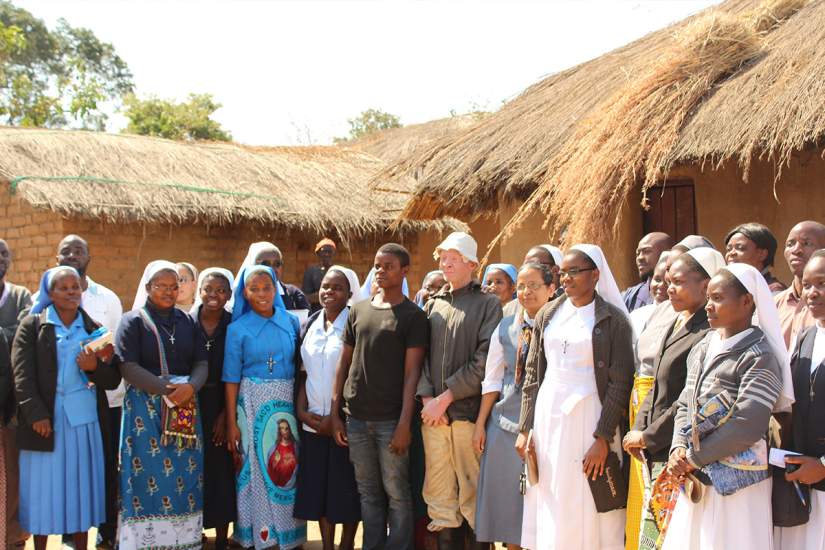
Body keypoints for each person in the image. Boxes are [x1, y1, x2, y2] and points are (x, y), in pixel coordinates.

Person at [662, 263, 793, 550]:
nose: (708, 306)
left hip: (738, 484)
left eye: (718, 298)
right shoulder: (704, 345)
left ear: (747, 302)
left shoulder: (759, 354)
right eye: (708, 297)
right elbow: (686, 401)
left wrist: (694, 458)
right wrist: (678, 448)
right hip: (696, 473)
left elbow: (748, 424)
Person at [515, 245, 634, 550]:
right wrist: (525, 428)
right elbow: (533, 375)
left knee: (586, 496)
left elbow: (620, 384)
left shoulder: (614, 321)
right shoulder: (548, 314)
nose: (566, 279)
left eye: (574, 272)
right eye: (562, 272)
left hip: (590, 418)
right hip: (549, 417)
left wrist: (603, 438)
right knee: (554, 494)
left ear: (595, 275)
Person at [12, 266, 121, 550]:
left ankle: (81, 545)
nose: (72, 292)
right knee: (43, 489)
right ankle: (41, 546)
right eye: (64, 287)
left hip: (84, 422)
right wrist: (36, 414)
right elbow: (22, 375)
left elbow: (112, 379)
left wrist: (95, 366)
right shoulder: (33, 325)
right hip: (46, 421)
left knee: (79, 487)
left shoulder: (93, 328)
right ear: (49, 293)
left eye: (76, 287)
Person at [622, 248, 722, 550]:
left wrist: (650, 435)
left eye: (677, 281)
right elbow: (657, 382)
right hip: (655, 447)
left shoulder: (708, 332)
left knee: (673, 535)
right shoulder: (678, 321)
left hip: (677, 449)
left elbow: (687, 398)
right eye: (667, 281)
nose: (668, 289)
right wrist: (638, 429)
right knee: (653, 534)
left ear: (705, 286)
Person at [330, 244, 428, 550]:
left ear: (404, 271)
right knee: (368, 492)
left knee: (397, 493)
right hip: (356, 419)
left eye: (388, 266)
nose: (381, 271)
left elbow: (412, 374)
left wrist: (403, 424)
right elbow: (344, 363)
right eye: (377, 265)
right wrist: (336, 414)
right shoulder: (358, 311)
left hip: (391, 421)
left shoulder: (413, 316)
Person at [116, 260, 209, 550]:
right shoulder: (133, 321)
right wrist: (165, 390)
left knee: (185, 475)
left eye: (174, 286)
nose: (169, 292)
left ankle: (184, 541)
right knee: (146, 476)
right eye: (162, 286)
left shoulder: (188, 321)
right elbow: (127, 366)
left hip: (183, 407)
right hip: (146, 411)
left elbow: (201, 362)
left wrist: (190, 387)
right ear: (147, 287)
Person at [418, 231, 502, 549]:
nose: (446, 262)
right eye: (443, 257)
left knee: (474, 494)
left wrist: (446, 397)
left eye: (454, 258)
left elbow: (485, 361)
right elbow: (421, 355)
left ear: (472, 264)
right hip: (434, 419)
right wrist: (428, 400)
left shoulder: (488, 304)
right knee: (439, 497)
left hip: (467, 415)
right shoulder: (433, 304)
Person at [223, 264, 306, 550]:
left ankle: (287, 534)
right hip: (251, 403)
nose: (261, 294)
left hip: (285, 405)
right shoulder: (237, 329)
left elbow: (298, 367)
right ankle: (257, 535)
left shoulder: (291, 322)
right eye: (253, 289)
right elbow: (231, 378)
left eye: (266, 287)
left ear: (276, 288)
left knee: (285, 466)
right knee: (253, 468)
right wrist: (232, 422)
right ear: (244, 292)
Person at [474, 263, 556, 549]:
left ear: (551, 289)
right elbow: (492, 378)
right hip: (504, 424)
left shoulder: (559, 326)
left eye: (534, 285)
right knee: (510, 511)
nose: (526, 292)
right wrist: (481, 424)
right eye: (521, 286)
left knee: (540, 506)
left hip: (546, 424)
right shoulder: (506, 326)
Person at [53, 234, 123, 548]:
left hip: (105, 400)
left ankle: (107, 532)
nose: (72, 255)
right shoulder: (42, 301)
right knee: (71, 467)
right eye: (65, 251)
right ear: (57, 259)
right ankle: (70, 533)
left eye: (78, 250)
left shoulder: (107, 299)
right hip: (63, 403)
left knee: (106, 465)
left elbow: (117, 350)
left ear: (88, 257)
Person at [295, 266, 362, 550]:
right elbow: (302, 373)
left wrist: (336, 419)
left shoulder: (354, 324)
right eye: (324, 286)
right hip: (312, 421)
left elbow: (358, 375)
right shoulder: (310, 323)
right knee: (319, 489)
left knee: (345, 489)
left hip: (343, 424)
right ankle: (327, 546)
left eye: (336, 287)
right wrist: (301, 412)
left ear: (349, 293)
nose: (328, 292)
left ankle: (347, 544)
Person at [775, 250, 825, 548]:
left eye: (822, 283)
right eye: (806, 285)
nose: (812, 292)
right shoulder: (806, 337)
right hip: (806, 485)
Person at [191, 268, 236, 550]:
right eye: (209, 289)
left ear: (229, 295)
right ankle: (193, 533)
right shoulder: (185, 323)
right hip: (190, 406)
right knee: (192, 470)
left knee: (221, 472)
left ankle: (222, 538)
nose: (214, 296)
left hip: (223, 405)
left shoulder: (234, 325)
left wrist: (225, 415)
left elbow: (236, 372)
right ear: (200, 291)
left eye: (221, 291)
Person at [0, 239, 31, 549]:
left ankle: (12, 540)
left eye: (3, 253)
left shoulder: (21, 297)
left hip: (11, 405)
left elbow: (22, 337)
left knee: (12, 478)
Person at [775, 221, 825, 347]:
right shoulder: (773, 305)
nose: (796, 250)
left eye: (807, 243)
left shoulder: (820, 305)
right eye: (790, 244)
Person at [238, 241, 311, 312]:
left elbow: (307, 320)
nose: (272, 269)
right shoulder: (242, 296)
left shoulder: (293, 294)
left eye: (277, 264)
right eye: (265, 264)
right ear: (253, 265)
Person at [724, 223, 786, 293]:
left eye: (740, 248)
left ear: (762, 254)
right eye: (729, 249)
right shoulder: (731, 289)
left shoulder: (773, 291)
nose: (731, 253)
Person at [623, 233, 674, 312]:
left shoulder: (682, 293)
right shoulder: (630, 296)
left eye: (646, 251)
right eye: (637, 253)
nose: (640, 258)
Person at [628, 252, 670, 337]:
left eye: (668, 282)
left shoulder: (681, 318)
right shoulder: (637, 316)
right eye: (657, 279)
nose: (661, 285)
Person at [303, 238, 337, 313]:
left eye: (330, 251)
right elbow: (306, 297)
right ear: (318, 253)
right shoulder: (311, 272)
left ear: (334, 254)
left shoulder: (338, 272)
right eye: (324, 251)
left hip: (336, 312)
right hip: (316, 312)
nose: (327, 254)